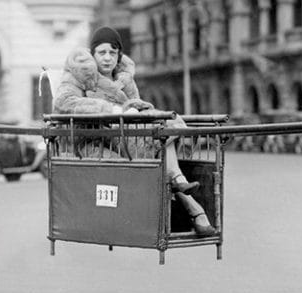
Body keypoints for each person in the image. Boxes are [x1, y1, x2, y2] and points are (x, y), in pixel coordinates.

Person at [53, 26, 216, 236]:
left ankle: (180, 186)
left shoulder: (124, 79)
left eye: (113, 52)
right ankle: (190, 202)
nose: (107, 58)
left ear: (119, 55)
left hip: (125, 138)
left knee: (165, 127)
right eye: (101, 52)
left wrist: (138, 107)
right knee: (150, 157)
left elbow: (135, 106)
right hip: (93, 142)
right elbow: (64, 101)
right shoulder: (80, 72)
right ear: (92, 54)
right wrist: (110, 109)